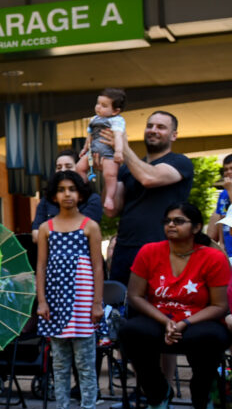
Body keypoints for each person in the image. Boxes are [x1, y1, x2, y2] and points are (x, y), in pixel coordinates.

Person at [118, 202, 230, 409]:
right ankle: (158, 394)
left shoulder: (212, 257)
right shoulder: (149, 252)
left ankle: (200, 396)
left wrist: (185, 323)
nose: (171, 225)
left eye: (178, 221)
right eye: (167, 221)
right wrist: (165, 321)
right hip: (159, 318)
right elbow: (135, 296)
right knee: (131, 332)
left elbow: (219, 306)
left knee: (209, 337)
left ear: (196, 228)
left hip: (198, 320)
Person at [36, 170, 104, 409]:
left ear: (80, 194)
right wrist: (42, 301)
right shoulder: (46, 228)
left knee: (86, 362)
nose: (67, 194)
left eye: (72, 189)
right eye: (62, 189)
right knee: (60, 363)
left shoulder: (90, 226)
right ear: (54, 195)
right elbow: (40, 267)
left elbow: (98, 267)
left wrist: (97, 303)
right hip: (55, 303)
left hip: (82, 303)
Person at [104, 111, 193, 286]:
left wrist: (123, 147)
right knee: (120, 307)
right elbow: (111, 209)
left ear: (174, 135)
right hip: (125, 247)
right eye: (150, 126)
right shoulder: (126, 169)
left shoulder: (180, 162)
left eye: (161, 127)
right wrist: (109, 170)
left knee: (159, 306)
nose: (153, 130)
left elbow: (149, 178)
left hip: (162, 248)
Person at [31, 150, 103, 243]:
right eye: (59, 167)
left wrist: (49, 236)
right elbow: (36, 235)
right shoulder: (46, 200)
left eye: (68, 166)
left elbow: (85, 234)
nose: (63, 171)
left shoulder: (92, 199)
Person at [75, 88, 126, 212]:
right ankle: (84, 188)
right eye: (98, 103)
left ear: (115, 111)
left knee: (110, 174)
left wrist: (119, 151)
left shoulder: (117, 120)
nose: (98, 107)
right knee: (79, 167)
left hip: (109, 153)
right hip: (93, 150)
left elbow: (118, 137)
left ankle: (109, 197)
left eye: (104, 106)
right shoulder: (94, 119)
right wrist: (85, 148)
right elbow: (90, 136)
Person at [206, 154, 232, 262]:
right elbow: (222, 217)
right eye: (225, 169)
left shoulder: (228, 190)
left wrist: (230, 190)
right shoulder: (223, 193)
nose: (228, 172)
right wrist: (221, 243)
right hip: (228, 250)